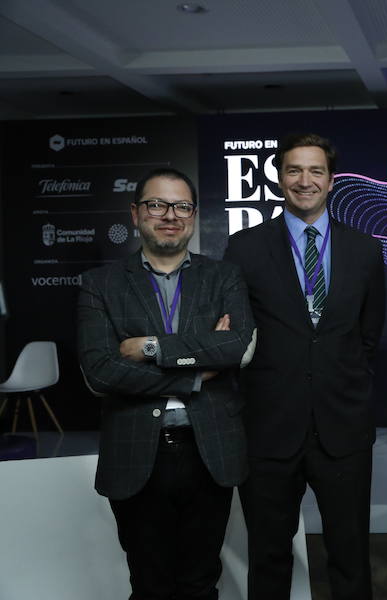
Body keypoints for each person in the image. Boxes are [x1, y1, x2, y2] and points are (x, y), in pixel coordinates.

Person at [77, 167, 256, 600]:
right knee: (149, 584)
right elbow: (101, 370)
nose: (170, 215)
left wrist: (152, 348)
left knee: (200, 582)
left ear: (193, 215)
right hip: (136, 451)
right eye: (157, 205)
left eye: (181, 206)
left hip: (208, 449)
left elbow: (233, 346)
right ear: (135, 213)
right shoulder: (100, 284)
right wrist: (195, 373)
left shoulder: (224, 277)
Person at [223, 133, 385, 600]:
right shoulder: (244, 248)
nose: (304, 180)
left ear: (331, 181)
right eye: (294, 170)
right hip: (269, 429)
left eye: (316, 170)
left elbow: (368, 335)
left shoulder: (364, 249)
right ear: (279, 178)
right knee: (269, 555)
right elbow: (236, 337)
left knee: (350, 555)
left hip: (343, 428)